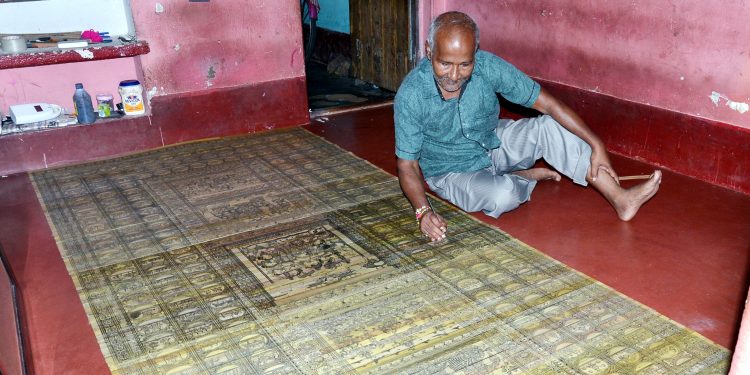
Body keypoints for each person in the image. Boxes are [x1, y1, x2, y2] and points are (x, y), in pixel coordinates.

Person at [395, 11, 662, 242]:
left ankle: (619, 198)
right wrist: (423, 212)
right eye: (444, 64)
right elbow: (407, 165)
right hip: (450, 171)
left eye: (464, 64)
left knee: (549, 127)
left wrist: (597, 145)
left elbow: (549, 106)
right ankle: (522, 178)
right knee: (503, 196)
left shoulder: (488, 66)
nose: (454, 76)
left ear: (475, 54)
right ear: (429, 51)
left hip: (491, 142)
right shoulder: (411, 95)